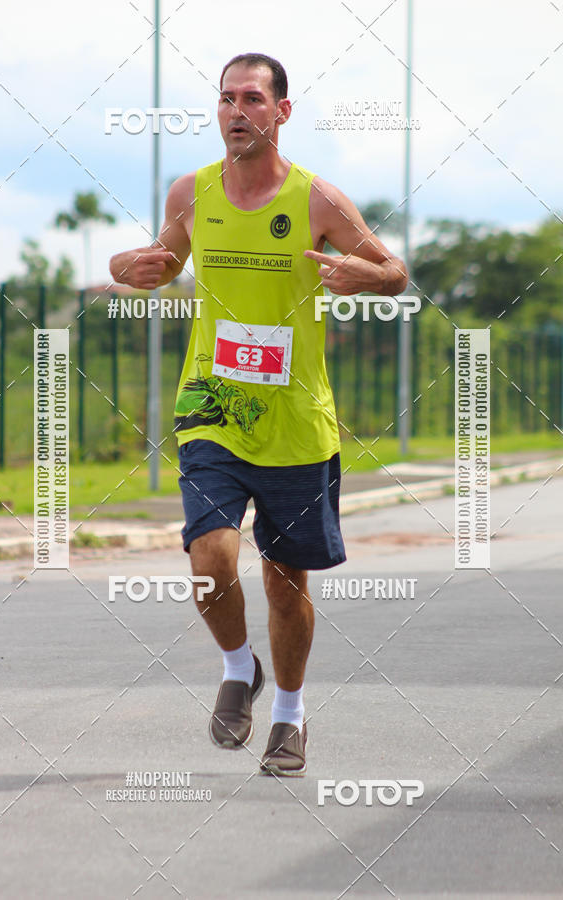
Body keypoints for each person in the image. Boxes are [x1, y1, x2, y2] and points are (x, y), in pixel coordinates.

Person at [110, 52, 407, 777]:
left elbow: (396, 274)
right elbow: (158, 260)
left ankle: (289, 715)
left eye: (251, 98)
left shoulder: (318, 200)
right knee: (210, 556)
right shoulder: (192, 192)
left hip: (295, 420)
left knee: (284, 580)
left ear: (282, 111)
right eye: (225, 99)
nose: (236, 111)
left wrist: (368, 275)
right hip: (212, 404)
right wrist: (127, 268)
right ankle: (239, 667)